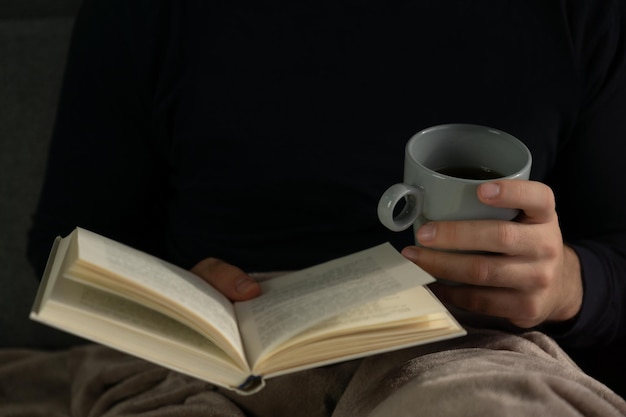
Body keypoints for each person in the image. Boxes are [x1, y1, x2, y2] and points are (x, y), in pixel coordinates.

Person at [25, 0, 626, 415]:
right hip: (212, 348)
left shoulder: (579, 15)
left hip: (459, 346)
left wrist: (570, 283)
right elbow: (64, 242)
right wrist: (165, 289)